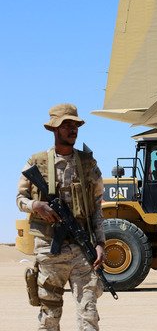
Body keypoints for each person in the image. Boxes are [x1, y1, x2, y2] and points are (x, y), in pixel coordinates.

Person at [16, 103, 105, 330]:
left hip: (81, 247)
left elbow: (96, 207)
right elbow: (20, 199)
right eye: (66, 125)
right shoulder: (36, 162)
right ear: (55, 129)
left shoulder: (87, 164)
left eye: (75, 125)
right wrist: (36, 205)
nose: (72, 129)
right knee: (49, 316)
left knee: (89, 313)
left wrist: (101, 243)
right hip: (48, 248)